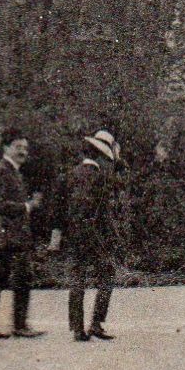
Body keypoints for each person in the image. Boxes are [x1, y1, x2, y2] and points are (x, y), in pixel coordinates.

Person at [0, 129, 43, 338]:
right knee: (10, 278)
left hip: (10, 235)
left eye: (25, 147)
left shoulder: (13, 171)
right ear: (6, 147)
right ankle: (6, 326)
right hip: (4, 235)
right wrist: (27, 206)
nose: (23, 151)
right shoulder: (0, 171)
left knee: (7, 277)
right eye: (18, 147)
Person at [61, 130, 121, 342]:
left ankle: (77, 328)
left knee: (77, 279)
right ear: (100, 156)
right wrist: (112, 237)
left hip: (73, 236)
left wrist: (56, 239)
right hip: (94, 237)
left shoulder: (70, 174)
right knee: (107, 274)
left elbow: (59, 210)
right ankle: (96, 323)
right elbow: (103, 213)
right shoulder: (100, 178)